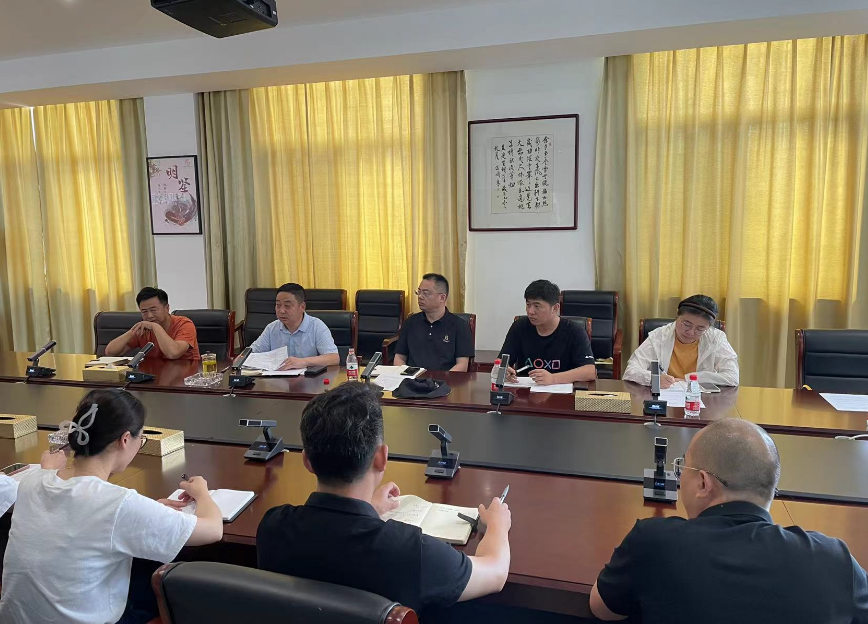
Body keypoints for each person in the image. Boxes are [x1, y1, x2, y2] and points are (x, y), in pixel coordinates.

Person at [256, 382, 511, 614]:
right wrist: (497, 524)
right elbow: (496, 574)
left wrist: (368, 508)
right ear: (381, 458)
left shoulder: (272, 527)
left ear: (307, 461)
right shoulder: (412, 552)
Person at [590, 419, 868, 623]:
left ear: (703, 483)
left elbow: (602, 609)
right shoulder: (834, 560)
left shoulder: (653, 542)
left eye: (683, 468)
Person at [0, 388, 224, 624]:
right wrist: (202, 493)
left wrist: (147, 512)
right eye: (141, 439)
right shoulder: (118, 504)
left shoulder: (32, 481)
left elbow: (81, 515)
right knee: (157, 580)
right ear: (125, 439)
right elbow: (213, 530)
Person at [623, 294, 739, 388]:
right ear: (677, 315)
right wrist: (654, 379)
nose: (691, 332)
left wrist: (690, 378)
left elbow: (732, 377)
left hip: (699, 400)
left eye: (700, 329)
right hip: (664, 398)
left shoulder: (716, 338)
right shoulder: (659, 335)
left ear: (708, 328)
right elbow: (631, 371)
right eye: (686, 324)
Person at [498, 279, 596, 385]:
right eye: (528, 304)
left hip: (561, 390)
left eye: (537, 306)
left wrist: (553, 379)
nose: (530, 311)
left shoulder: (574, 331)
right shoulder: (519, 327)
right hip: (525, 390)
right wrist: (503, 370)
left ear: (555, 308)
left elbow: (590, 371)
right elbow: (501, 362)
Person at [394, 273, 474, 372]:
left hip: (445, 379)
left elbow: (462, 364)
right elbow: (399, 357)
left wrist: (444, 379)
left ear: (442, 298)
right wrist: (406, 375)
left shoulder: (460, 325)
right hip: (412, 379)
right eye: (419, 292)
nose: (420, 297)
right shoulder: (410, 322)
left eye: (426, 293)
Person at [250, 283, 339, 370]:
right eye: (278, 305)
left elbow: (334, 358)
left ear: (302, 307)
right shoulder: (272, 328)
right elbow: (251, 354)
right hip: (277, 378)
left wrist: (303, 361)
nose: (281, 311)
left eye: (287, 306)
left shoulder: (317, 326)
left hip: (309, 378)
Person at [105, 286, 200, 361]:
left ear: (167, 308)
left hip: (186, 375)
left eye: (153, 310)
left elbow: (173, 353)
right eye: (144, 311)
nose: (149, 316)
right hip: (154, 375)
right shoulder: (143, 328)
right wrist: (131, 332)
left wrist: (155, 327)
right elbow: (110, 352)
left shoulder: (184, 324)